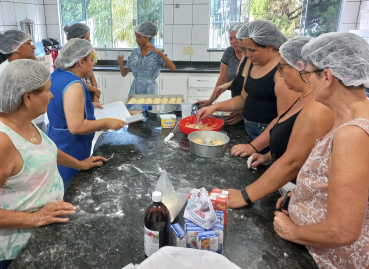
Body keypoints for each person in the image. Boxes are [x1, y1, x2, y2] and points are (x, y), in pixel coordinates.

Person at [273, 32, 369, 268]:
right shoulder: (348, 116)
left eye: (307, 74)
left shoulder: (353, 133)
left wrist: (292, 232)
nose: (307, 82)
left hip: (329, 259)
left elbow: (343, 231)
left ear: (326, 76)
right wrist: (307, 193)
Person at [0, 60, 107, 269]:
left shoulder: (24, 121)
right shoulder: (3, 141)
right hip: (18, 250)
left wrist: (79, 164)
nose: (51, 95)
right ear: (28, 98)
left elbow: (43, 150)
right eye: (47, 91)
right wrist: (33, 219)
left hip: (43, 232)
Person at [225, 37, 334, 209]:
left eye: (282, 67)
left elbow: (294, 162)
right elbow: (296, 140)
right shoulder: (303, 97)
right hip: (285, 185)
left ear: (300, 68)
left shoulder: (318, 107)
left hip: (302, 193)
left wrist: (244, 196)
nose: (280, 74)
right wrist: (269, 157)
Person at [197, 20, 300, 153]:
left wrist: (254, 146)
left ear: (270, 46)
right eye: (245, 49)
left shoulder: (282, 70)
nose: (247, 54)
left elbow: (283, 120)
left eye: (252, 50)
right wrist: (213, 107)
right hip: (251, 131)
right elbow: (243, 99)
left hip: (269, 138)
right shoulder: (253, 63)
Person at [47, 38, 126, 188]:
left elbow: (63, 107)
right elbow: (76, 126)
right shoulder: (74, 85)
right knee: (71, 188)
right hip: (70, 148)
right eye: (91, 59)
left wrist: (88, 105)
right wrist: (107, 122)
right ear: (81, 62)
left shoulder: (57, 75)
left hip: (57, 141)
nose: (93, 63)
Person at [197, 22, 248, 125]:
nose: (233, 41)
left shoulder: (251, 56)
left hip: (249, 108)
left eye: (236, 38)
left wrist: (243, 112)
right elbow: (223, 79)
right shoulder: (229, 52)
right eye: (230, 38)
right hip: (236, 102)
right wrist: (211, 101)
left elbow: (253, 88)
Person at [0, 30, 48, 133]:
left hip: (38, 122)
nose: (34, 47)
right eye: (28, 43)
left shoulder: (32, 66)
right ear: (14, 47)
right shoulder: (3, 71)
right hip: (16, 127)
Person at [117, 21, 176, 95]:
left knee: (149, 106)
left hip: (150, 91)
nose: (136, 40)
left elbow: (172, 68)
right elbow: (124, 73)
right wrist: (120, 63)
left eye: (139, 37)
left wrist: (160, 53)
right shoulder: (134, 52)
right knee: (133, 107)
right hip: (135, 91)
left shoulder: (156, 53)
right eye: (136, 36)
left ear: (147, 37)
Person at [64, 23, 102, 105]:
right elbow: (75, 81)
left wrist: (95, 96)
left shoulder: (85, 53)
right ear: (78, 40)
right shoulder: (69, 58)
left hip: (90, 94)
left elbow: (91, 76)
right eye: (87, 38)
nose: (90, 40)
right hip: (80, 97)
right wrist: (94, 90)